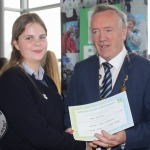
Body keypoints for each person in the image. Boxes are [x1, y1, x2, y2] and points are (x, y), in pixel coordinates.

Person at [64, 4, 150, 150]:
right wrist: (74, 132)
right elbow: (69, 115)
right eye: (96, 31)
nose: (102, 38)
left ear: (123, 33)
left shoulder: (146, 70)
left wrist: (126, 137)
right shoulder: (81, 70)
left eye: (108, 30)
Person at [0, 13, 85, 150]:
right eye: (29, 38)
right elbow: (37, 135)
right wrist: (81, 143)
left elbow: (52, 121)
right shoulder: (12, 80)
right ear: (16, 44)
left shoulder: (47, 80)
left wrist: (66, 131)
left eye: (42, 37)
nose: (37, 43)